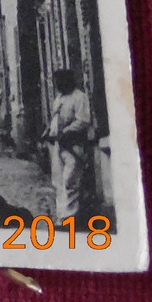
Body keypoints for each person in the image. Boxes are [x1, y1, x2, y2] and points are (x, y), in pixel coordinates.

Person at [44, 68, 96, 222]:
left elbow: (83, 120)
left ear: (68, 81)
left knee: (70, 180)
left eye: (60, 81)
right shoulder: (59, 98)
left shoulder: (79, 97)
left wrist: (66, 131)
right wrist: (49, 131)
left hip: (73, 145)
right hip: (58, 145)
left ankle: (71, 217)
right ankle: (62, 217)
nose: (57, 85)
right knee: (58, 181)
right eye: (56, 82)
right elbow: (55, 118)